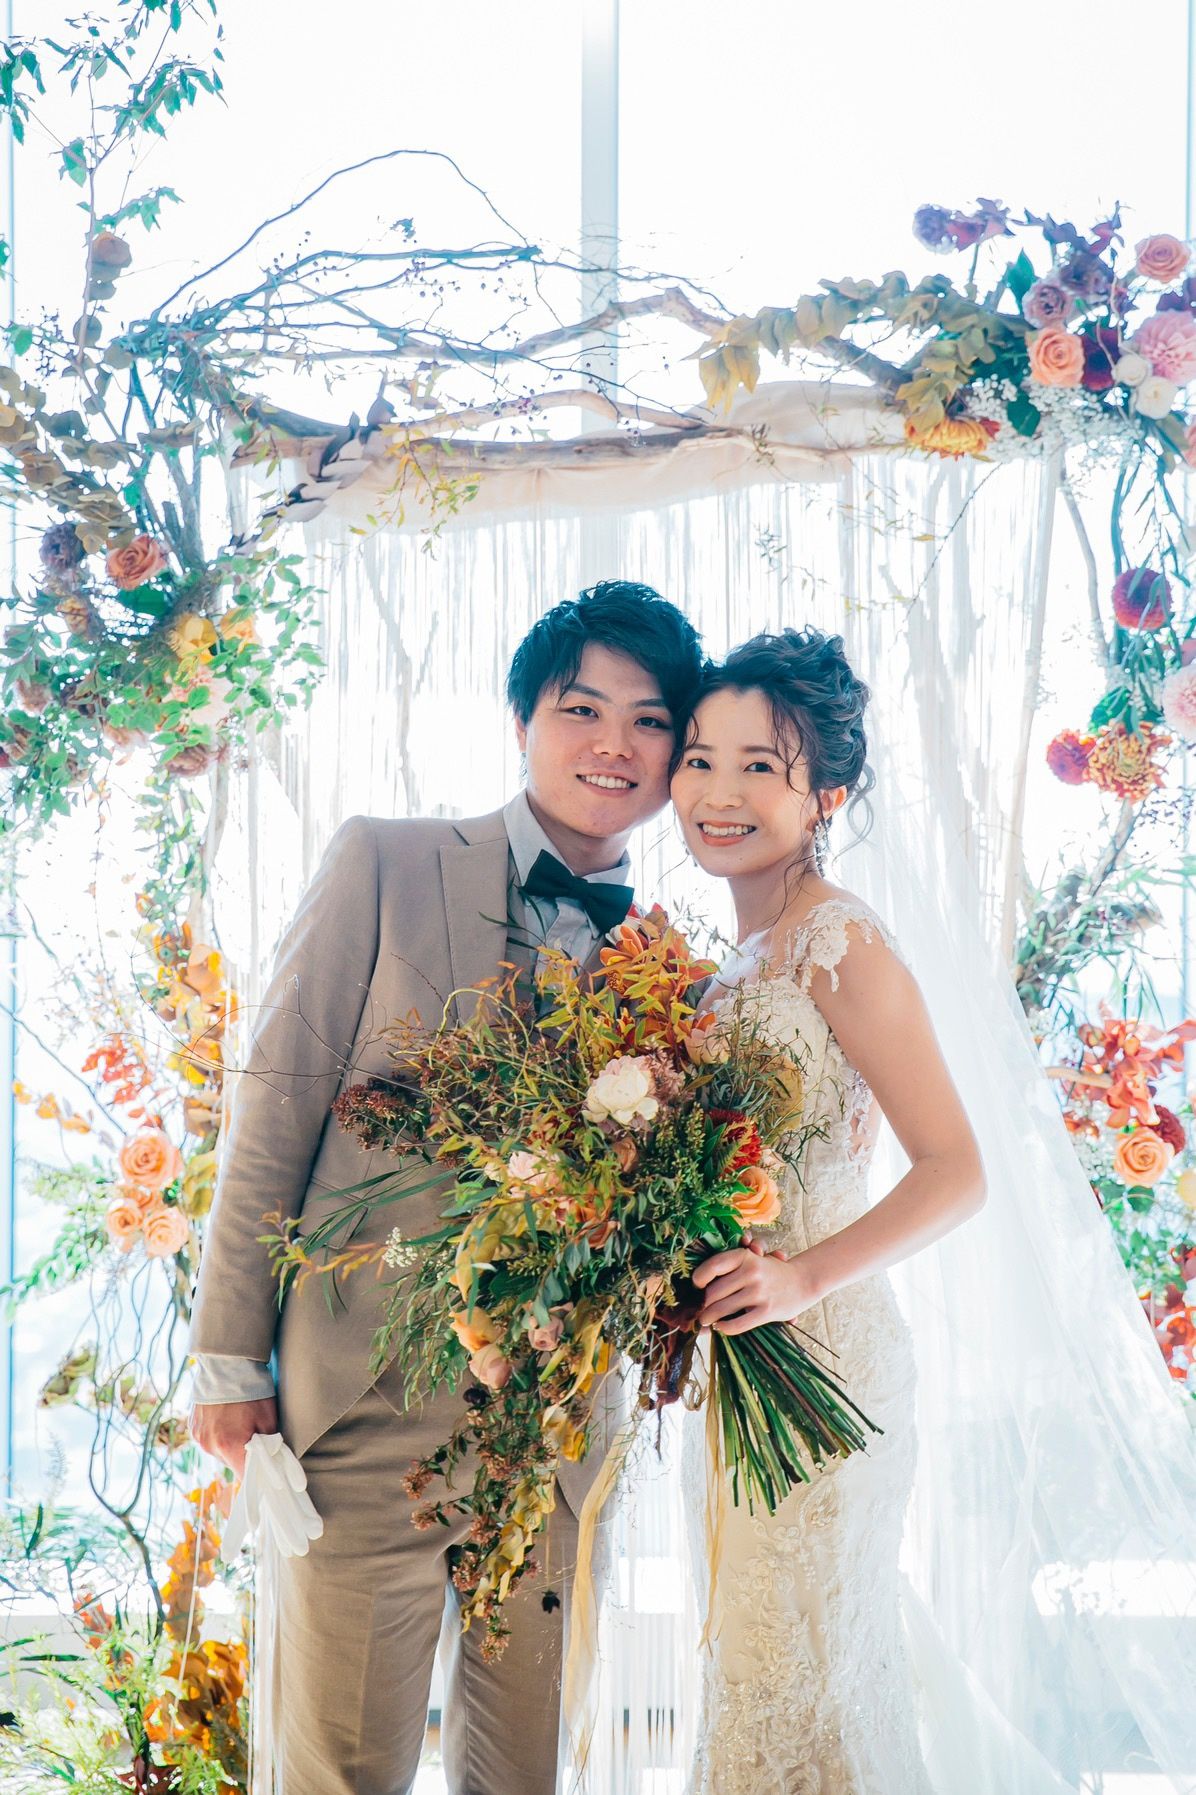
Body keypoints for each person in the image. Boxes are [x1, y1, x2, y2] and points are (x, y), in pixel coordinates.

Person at [188, 579, 703, 1795]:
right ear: (523, 720)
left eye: (647, 719)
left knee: (523, 1772)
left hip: (560, 1433)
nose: (613, 743)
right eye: (582, 708)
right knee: (340, 1767)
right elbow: (276, 1103)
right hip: (364, 1409)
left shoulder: (670, 962)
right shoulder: (386, 860)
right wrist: (226, 1358)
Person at [668, 625, 984, 1793]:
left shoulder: (837, 941)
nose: (718, 792)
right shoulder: (737, 955)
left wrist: (800, 1276)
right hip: (742, 1366)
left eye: (759, 765)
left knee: (799, 1687)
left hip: (824, 1370)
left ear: (827, 795)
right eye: (699, 758)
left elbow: (955, 1168)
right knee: (758, 1681)